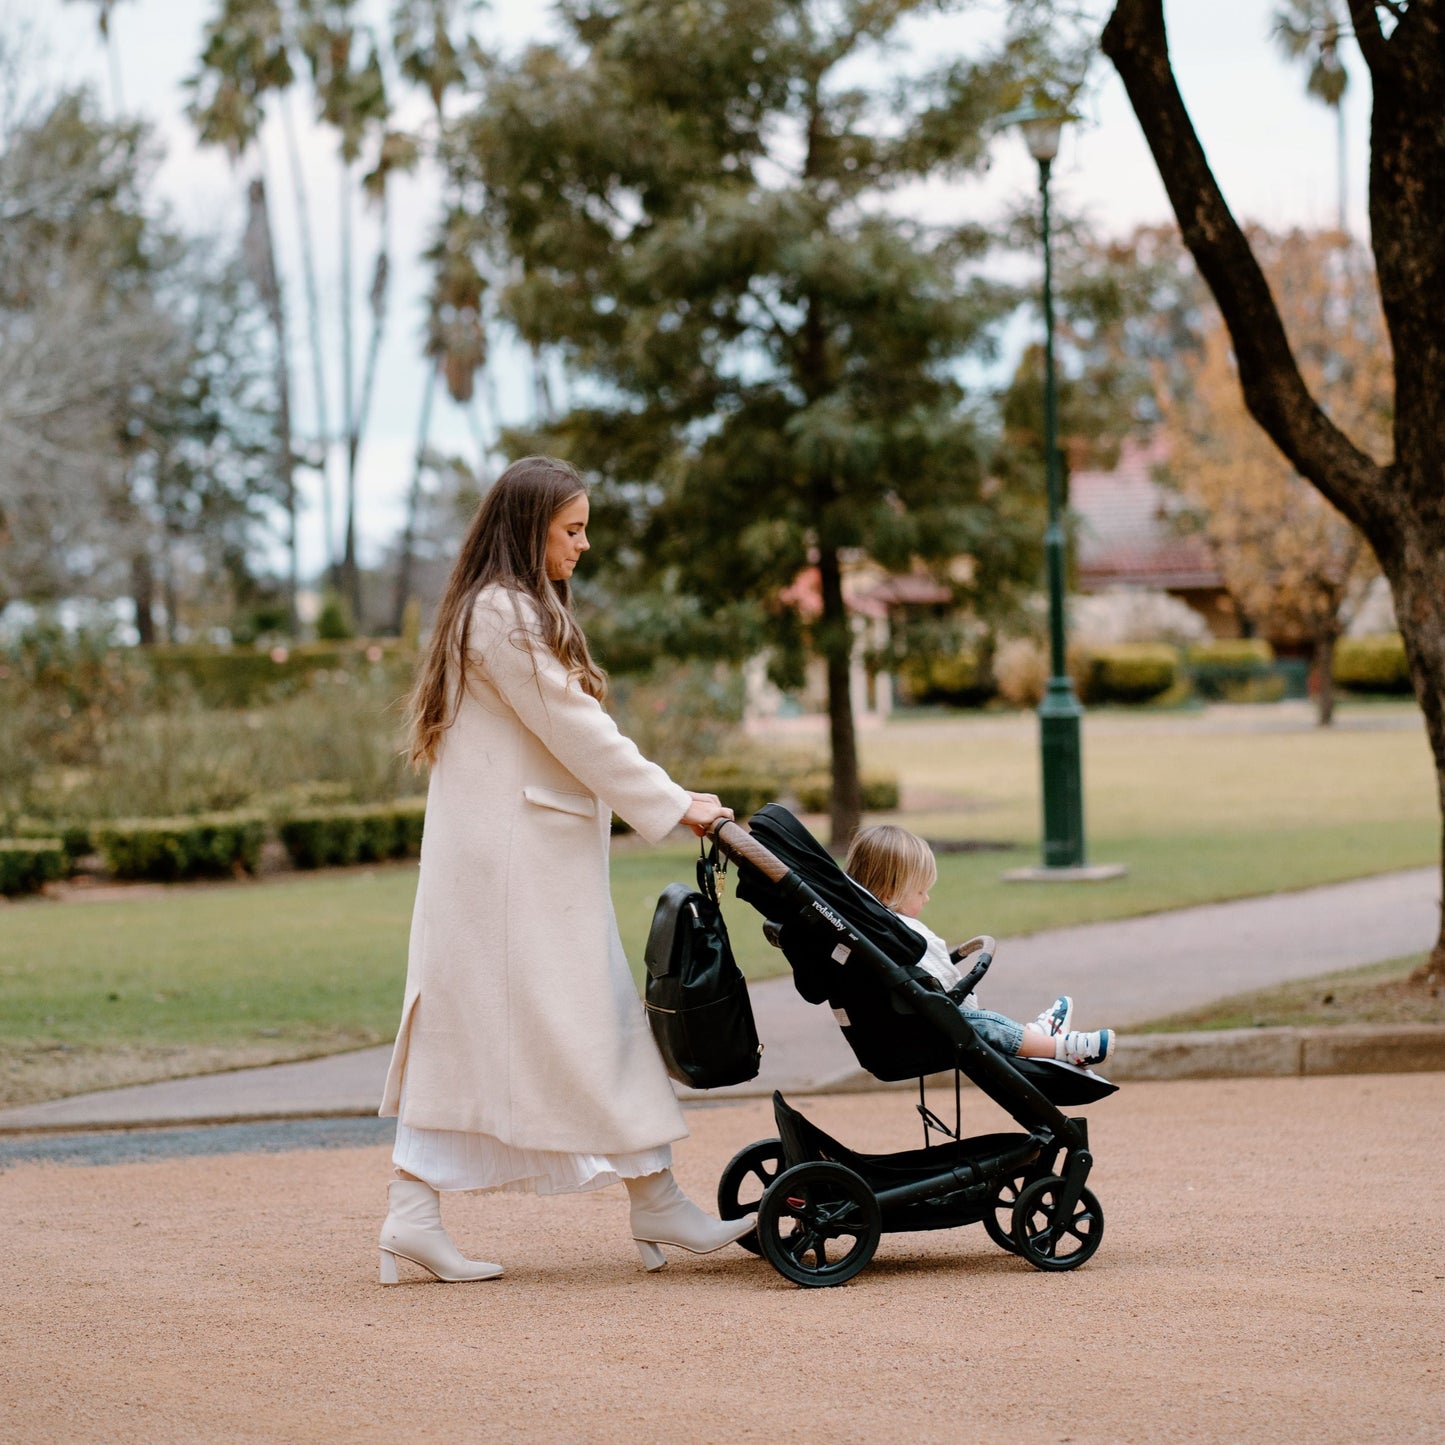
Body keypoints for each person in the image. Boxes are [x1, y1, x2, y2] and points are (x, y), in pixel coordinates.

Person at [377, 455, 755, 1284]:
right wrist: (672, 800)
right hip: (513, 872)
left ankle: (414, 1214)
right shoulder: (502, 617)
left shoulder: (493, 610)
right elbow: (574, 727)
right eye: (571, 529)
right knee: (591, 1022)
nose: (582, 545)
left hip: (508, 868)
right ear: (528, 528)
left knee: (483, 1029)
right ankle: (653, 1198)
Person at [844, 824, 1116, 1069]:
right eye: (920, 891)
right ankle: (1064, 1048)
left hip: (891, 1029)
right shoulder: (905, 932)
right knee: (981, 1023)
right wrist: (966, 1005)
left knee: (985, 1024)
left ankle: (1037, 1033)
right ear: (891, 891)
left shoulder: (860, 926)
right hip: (925, 1029)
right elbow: (948, 980)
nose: (927, 898)